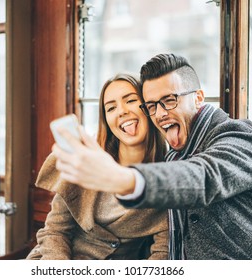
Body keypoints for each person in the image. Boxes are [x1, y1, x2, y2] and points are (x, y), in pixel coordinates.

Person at [52, 54, 252, 260]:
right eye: (151, 105)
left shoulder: (240, 136)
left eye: (169, 100)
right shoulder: (173, 157)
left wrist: (121, 178)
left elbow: (205, 176)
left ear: (199, 98)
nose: (160, 113)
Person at [26, 73, 169, 260]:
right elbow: (55, 231)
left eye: (131, 100)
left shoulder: (167, 180)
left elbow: (163, 254)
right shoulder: (87, 161)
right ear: (107, 121)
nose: (122, 111)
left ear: (149, 108)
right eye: (111, 108)